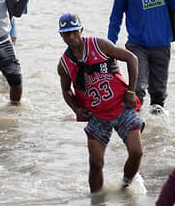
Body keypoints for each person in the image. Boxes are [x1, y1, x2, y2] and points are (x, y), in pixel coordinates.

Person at [57, 13, 143, 193]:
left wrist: (131, 91)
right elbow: (66, 90)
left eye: (74, 31)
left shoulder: (99, 45)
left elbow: (131, 59)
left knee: (136, 152)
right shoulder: (64, 64)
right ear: (61, 35)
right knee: (96, 163)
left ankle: (125, 185)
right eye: (66, 33)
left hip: (121, 107)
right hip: (96, 115)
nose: (71, 37)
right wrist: (76, 109)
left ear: (81, 30)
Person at [107, 0, 175, 112]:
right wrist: (110, 48)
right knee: (137, 89)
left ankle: (157, 132)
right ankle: (135, 129)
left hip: (162, 45)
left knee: (159, 94)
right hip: (137, 46)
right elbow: (115, 18)